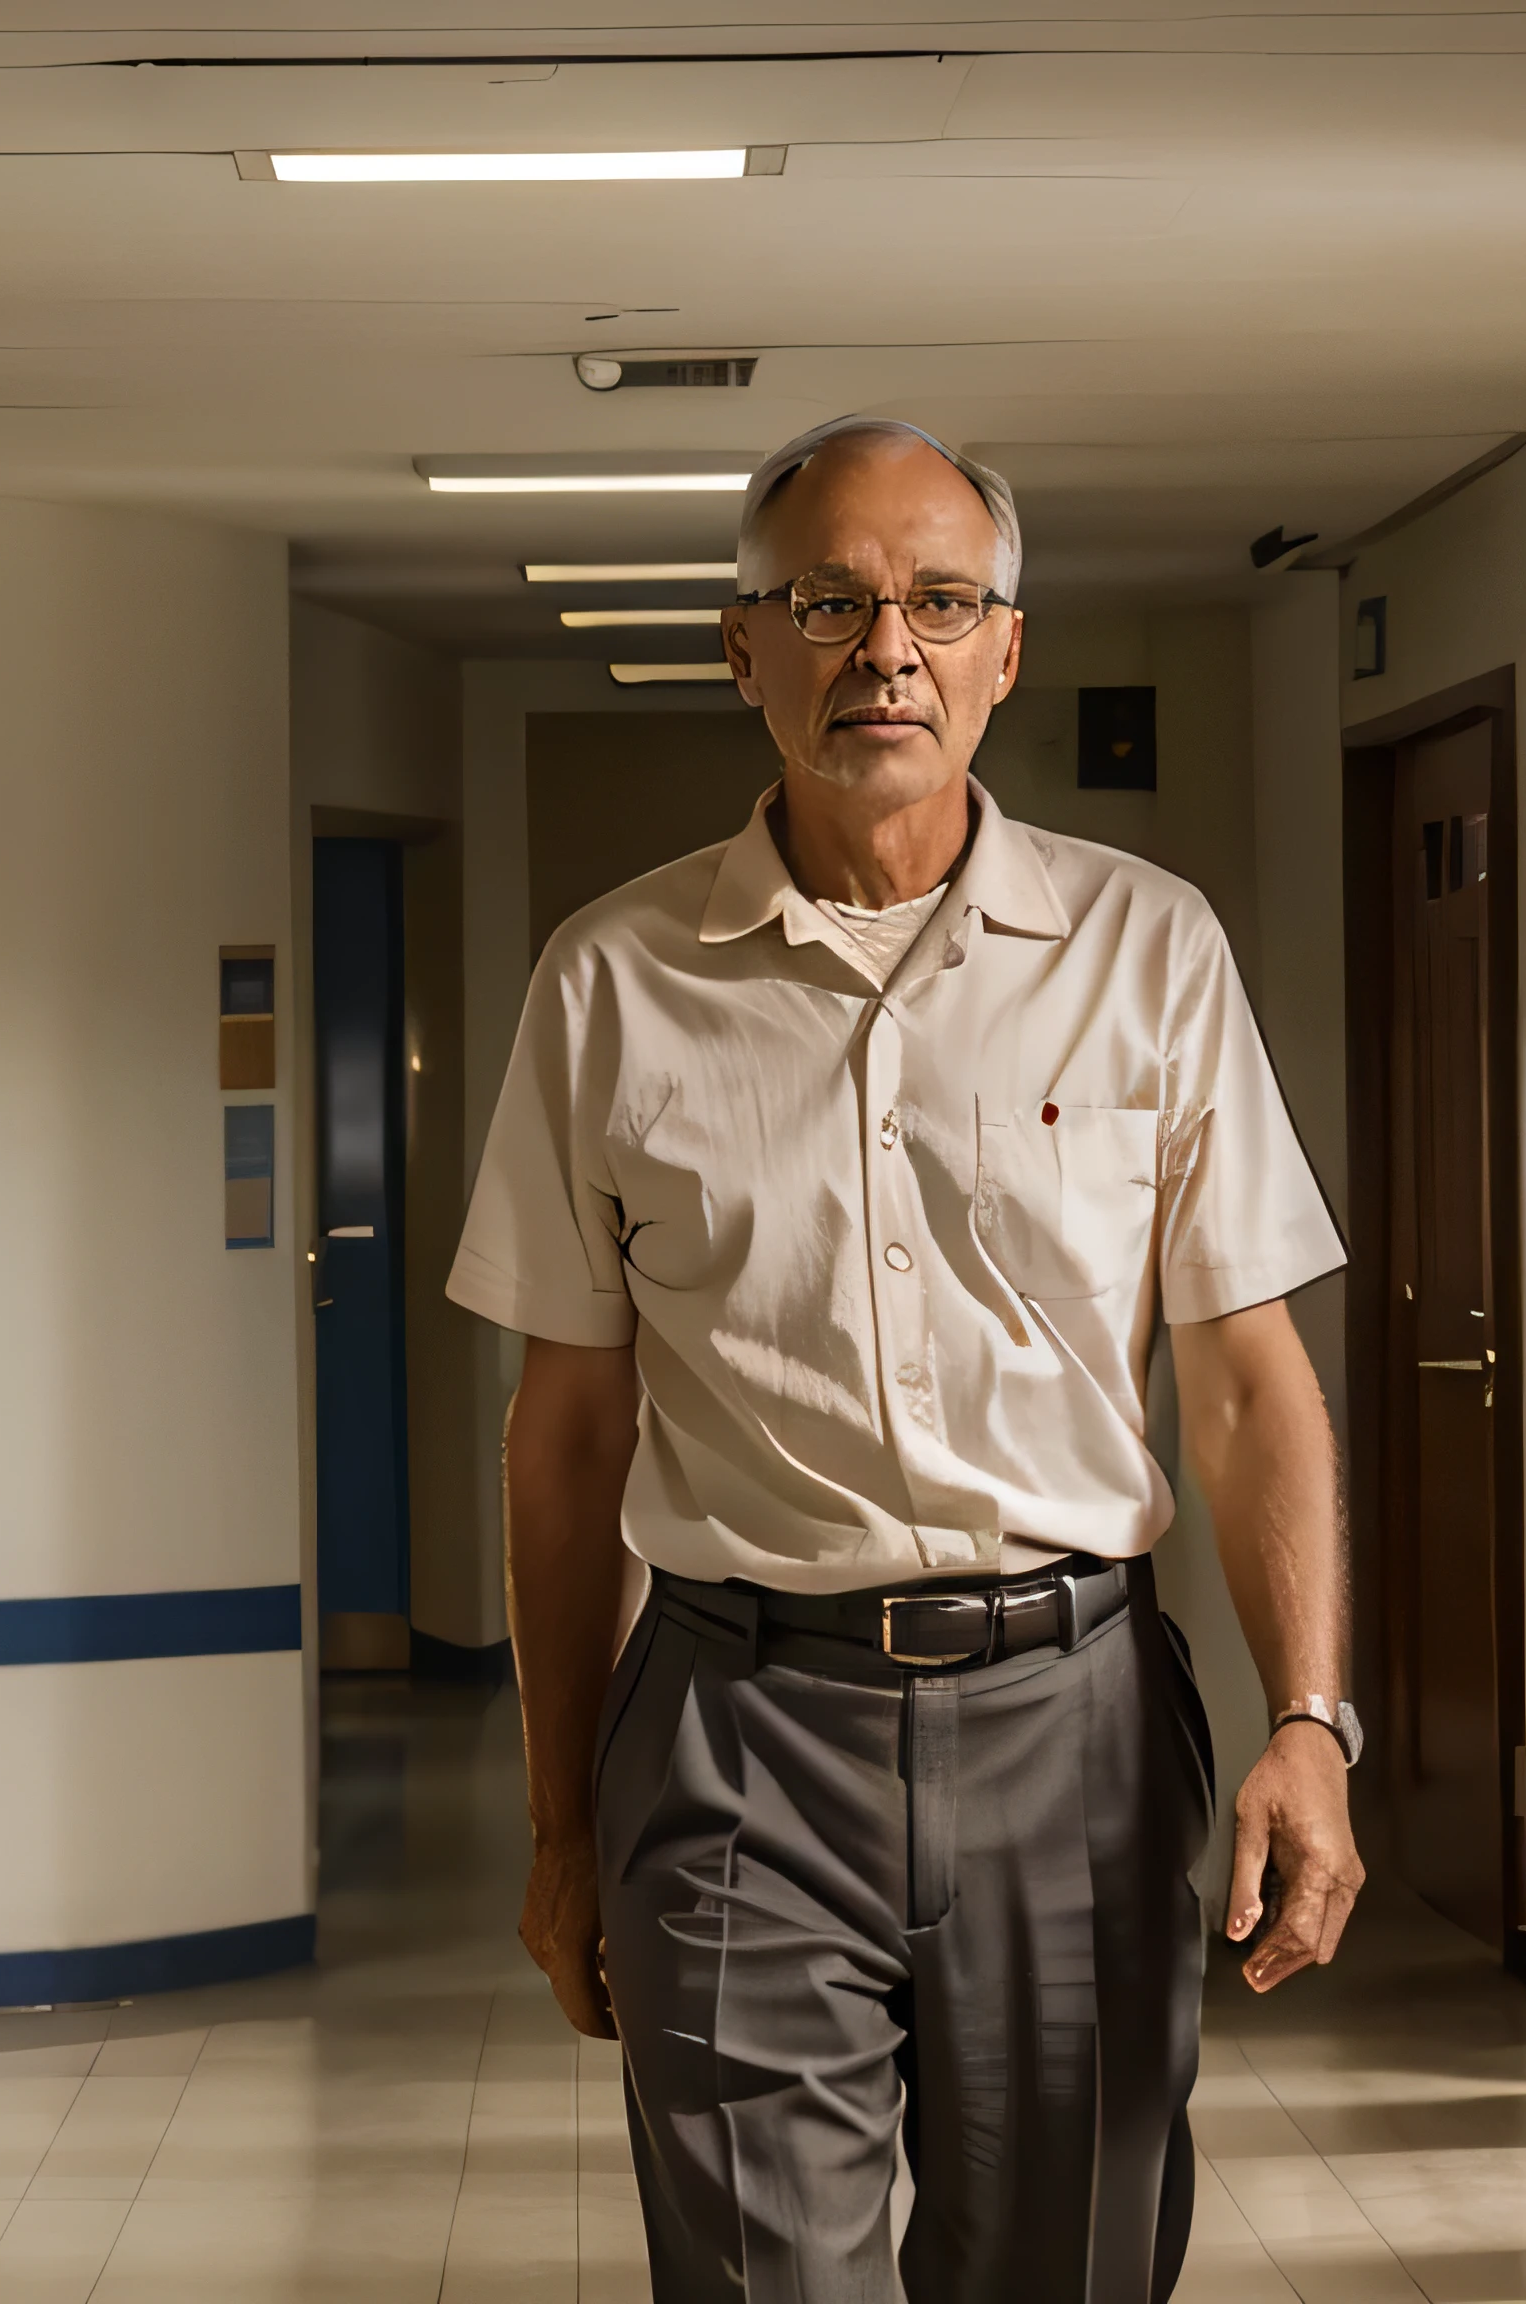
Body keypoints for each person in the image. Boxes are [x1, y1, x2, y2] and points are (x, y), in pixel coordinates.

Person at [450, 414, 1366, 2302]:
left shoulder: (1149, 951)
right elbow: (566, 1437)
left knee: (1072, 2266)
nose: (889, 648)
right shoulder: (609, 984)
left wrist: (1309, 1720)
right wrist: (558, 1828)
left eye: (942, 601)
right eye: (830, 601)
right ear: (741, 646)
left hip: (1078, 1724)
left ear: (1005, 650)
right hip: (734, 1737)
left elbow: (1249, 1380)